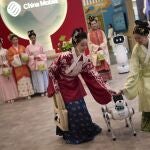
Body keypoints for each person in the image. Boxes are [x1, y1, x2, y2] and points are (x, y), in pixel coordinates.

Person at [47, 28, 116, 144]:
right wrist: (55, 86)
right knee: (71, 110)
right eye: (82, 45)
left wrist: (108, 88)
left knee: (81, 108)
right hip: (63, 86)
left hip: (75, 85)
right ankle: (72, 133)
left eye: (86, 45)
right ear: (75, 43)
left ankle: (86, 130)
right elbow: (51, 70)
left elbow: (95, 75)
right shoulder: (64, 56)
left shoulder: (85, 60)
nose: (85, 48)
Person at [119, 20, 150, 132]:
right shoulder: (136, 48)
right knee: (147, 93)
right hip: (145, 77)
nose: (136, 41)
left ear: (146, 35)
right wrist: (126, 87)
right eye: (135, 38)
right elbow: (134, 69)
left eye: (139, 38)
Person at [7, 34, 34, 99]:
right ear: (11, 41)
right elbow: (9, 59)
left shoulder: (22, 47)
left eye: (16, 39)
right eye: (14, 40)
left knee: (27, 79)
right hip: (18, 68)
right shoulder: (10, 50)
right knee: (21, 80)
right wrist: (16, 56)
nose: (15, 41)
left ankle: (30, 93)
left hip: (24, 66)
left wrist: (24, 57)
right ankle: (24, 94)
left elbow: (27, 55)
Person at [87, 16, 112, 82]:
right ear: (90, 25)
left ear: (97, 24)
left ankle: (106, 79)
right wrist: (97, 47)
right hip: (96, 53)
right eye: (92, 24)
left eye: (94, 23)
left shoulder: (101, 32)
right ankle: (100, 79)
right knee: (98, 65)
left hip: (102, 51)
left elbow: (105, 40)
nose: (94, 25)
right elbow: (89, 43)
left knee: (104, 63)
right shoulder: (89, 34)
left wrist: (101, 46)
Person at [26, 30, 48, 96]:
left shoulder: (40, 45)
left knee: (43, 76)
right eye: (31, 38)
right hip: (34, 63)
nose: (33, 39)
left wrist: (39, 56)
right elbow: (27, 56)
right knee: (37, 77)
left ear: (36, 37)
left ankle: (46, 89)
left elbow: (44, 54)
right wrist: (33, 57)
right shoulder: (28, 47)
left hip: (41, 62)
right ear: (29, 38)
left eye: (34, 37)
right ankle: (40, 91)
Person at [0, 37, 18, 103]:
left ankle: (12, 96)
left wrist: (6, 63)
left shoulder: (5, 51)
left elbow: (9, 59)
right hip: (0, 69)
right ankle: (7, 98)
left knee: (9, 82)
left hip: (7, 67)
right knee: (3, 84)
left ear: (1, 43)